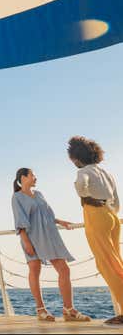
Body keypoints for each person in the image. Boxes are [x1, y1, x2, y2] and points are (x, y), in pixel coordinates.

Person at [12, 168, 89, 323]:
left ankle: (68, 310)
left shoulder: (39, 194)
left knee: (64, 269)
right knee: (35, 269)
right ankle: (41, 309)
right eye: (32, 175)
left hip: (49, 234)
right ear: (23, 177)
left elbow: (46, 214)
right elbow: (19, 220)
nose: (35, 177)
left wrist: (60, 221)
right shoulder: (17, 197)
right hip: (32, 236)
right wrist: (26, 241)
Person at [68, 136, 123, 327]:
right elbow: (116, 201)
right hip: (112, 217)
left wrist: (87, 198)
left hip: (96, 216)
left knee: (107, 265)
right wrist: (108, 210)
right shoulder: (106, 173)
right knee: (117, 261)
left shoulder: (83, 171)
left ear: (75, 158)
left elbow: (80, 187)